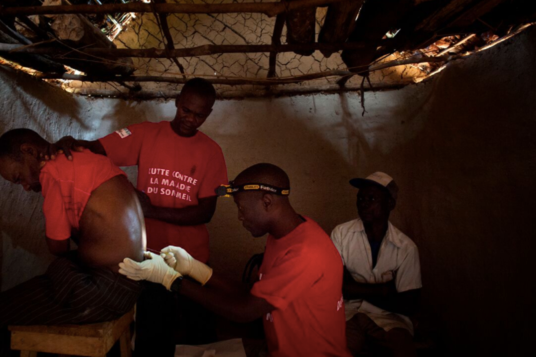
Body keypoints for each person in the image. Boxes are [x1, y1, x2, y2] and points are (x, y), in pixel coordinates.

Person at [45, 78, 227, 355]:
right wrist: (71, 143)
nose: (190, 119)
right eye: (186, 110)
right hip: (149, 256)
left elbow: (207, 211)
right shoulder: (145, 134)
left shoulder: (212, 152)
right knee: (153, 332)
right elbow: (97, 149)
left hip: (191, 258)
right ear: (177, 102)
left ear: (209, 113)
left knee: (200, 333)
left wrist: (151, 210)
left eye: (199, 115)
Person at [119, 163, 352, 357]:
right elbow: (253, 294)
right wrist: (195, 268)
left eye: (241, 208)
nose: (240, 217)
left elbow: (244, 311)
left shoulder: (305, 252)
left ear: (267, 202)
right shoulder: (286, 234)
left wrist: (172, 280)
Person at [0, 128, 144, 356]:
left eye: (19, 177)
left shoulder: (52, 171)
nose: (24, 187)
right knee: (58, 271)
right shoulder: (80, 157)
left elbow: (57, 247)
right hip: (127, 284)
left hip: (102, 291)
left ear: (28, 150)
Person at [331, 172, 422, 357]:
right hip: (348, 314)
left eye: (371, 198)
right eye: (360, 198)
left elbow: (408, 304)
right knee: (334, 351)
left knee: (403, 351)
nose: (363, 203)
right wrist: (385, 291)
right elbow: (338, 288)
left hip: (390, 320)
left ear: (390, 204)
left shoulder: (406, 248)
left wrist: (354, 287)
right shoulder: (341, 234)